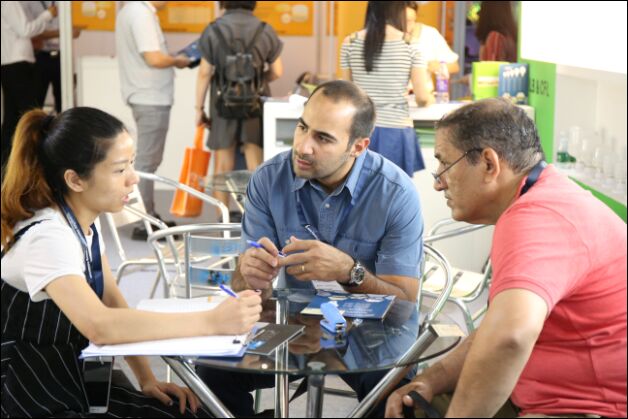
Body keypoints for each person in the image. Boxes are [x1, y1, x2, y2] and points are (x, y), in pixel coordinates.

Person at [0, 107, 263, 417]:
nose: (133, 178)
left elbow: (112, 300)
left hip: (71, 379)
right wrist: (212, 321)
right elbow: (100, 325)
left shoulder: (83, 223)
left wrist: (146, 378)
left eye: (132, 164)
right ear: (75, 180)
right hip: (28, 394)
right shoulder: (49, 238)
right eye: (119, 169)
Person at [385, 98, 627, 418]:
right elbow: (496, 331)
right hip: (548, 395)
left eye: (445, 164)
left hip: (591, 407)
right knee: (413, 405)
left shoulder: (536, 218)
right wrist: (431, 380)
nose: (438, 181)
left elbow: (509, 338)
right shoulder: (545, 196)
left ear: (489, 164)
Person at [197, 80, 425, 416]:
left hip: (371, 333)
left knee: (395, 395)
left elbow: (402, 308)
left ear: (358, 146)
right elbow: (246, 290)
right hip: (294, 326)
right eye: (302, 127)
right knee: (210, 374)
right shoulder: (268, 179)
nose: (303, 147)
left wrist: (349, 271)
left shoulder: (395, 193)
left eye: (323, 138)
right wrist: (249, 277)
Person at [195, 0, 283, 214]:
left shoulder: (213, 29)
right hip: (255, 103)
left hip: (222, 103)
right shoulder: (265, 29)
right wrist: (257, 81)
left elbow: (205, 72)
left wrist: (198, 109)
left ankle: (223, 220)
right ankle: (256, 217)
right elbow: (277, 71)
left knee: (222, 163)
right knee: (256, 162)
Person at [115, 1, 190, 240]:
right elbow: (154, 58)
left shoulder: (131, 10)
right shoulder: (141, 13)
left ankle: (148, 215)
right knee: (147, 163)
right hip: (150, 96)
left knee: (146, 160)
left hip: (144, 94)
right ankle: (143, 222)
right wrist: (178, 60)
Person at [340, 1, 432, 178]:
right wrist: (430, 99)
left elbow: (347, 93)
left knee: (357, 189)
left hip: (360, 129)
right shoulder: (411, 44)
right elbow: (422, 97)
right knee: (393, 190)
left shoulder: (350, 41)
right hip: (396, 130)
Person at [1, 0, 56, 175]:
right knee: (32, 114)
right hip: (17, 64)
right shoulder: (10, 3)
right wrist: (48, 15)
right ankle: (38, 164)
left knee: (12, 119)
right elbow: (25, 29)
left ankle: (7, 166)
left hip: (9, 64)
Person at [21, 0, 83, 113]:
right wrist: (63, 32)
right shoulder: (28, 3)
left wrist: (68, 31)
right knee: (35, 102)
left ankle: (64, 124)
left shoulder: (65, 4)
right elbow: (31, 32)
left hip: (62, 56)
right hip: (40, 56)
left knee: (64, 101)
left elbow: (76, 31)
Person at [404, 1, 460, 94]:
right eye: (402, 21)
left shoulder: (429, 33)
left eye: (410, 21)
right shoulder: (388, 34)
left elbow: (455, 66)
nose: (407, 26)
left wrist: (439, 67)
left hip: (424, 94)